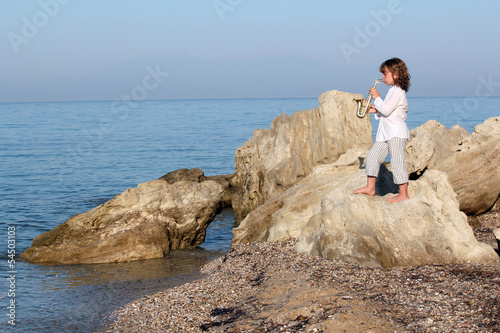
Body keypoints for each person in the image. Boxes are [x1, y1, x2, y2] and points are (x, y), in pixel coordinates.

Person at [354, 57, 411, 203]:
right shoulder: (393, 91)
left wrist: (376, 97)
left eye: (385, 74)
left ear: (395, 74)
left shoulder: (397, 91)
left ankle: (403, 194)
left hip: (396, 133)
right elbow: (387, 112)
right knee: (372, 157)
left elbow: (386, 110)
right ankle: (370, 188)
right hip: (386, 133)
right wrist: (372, 110)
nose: (383, 77)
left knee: (397, 162)